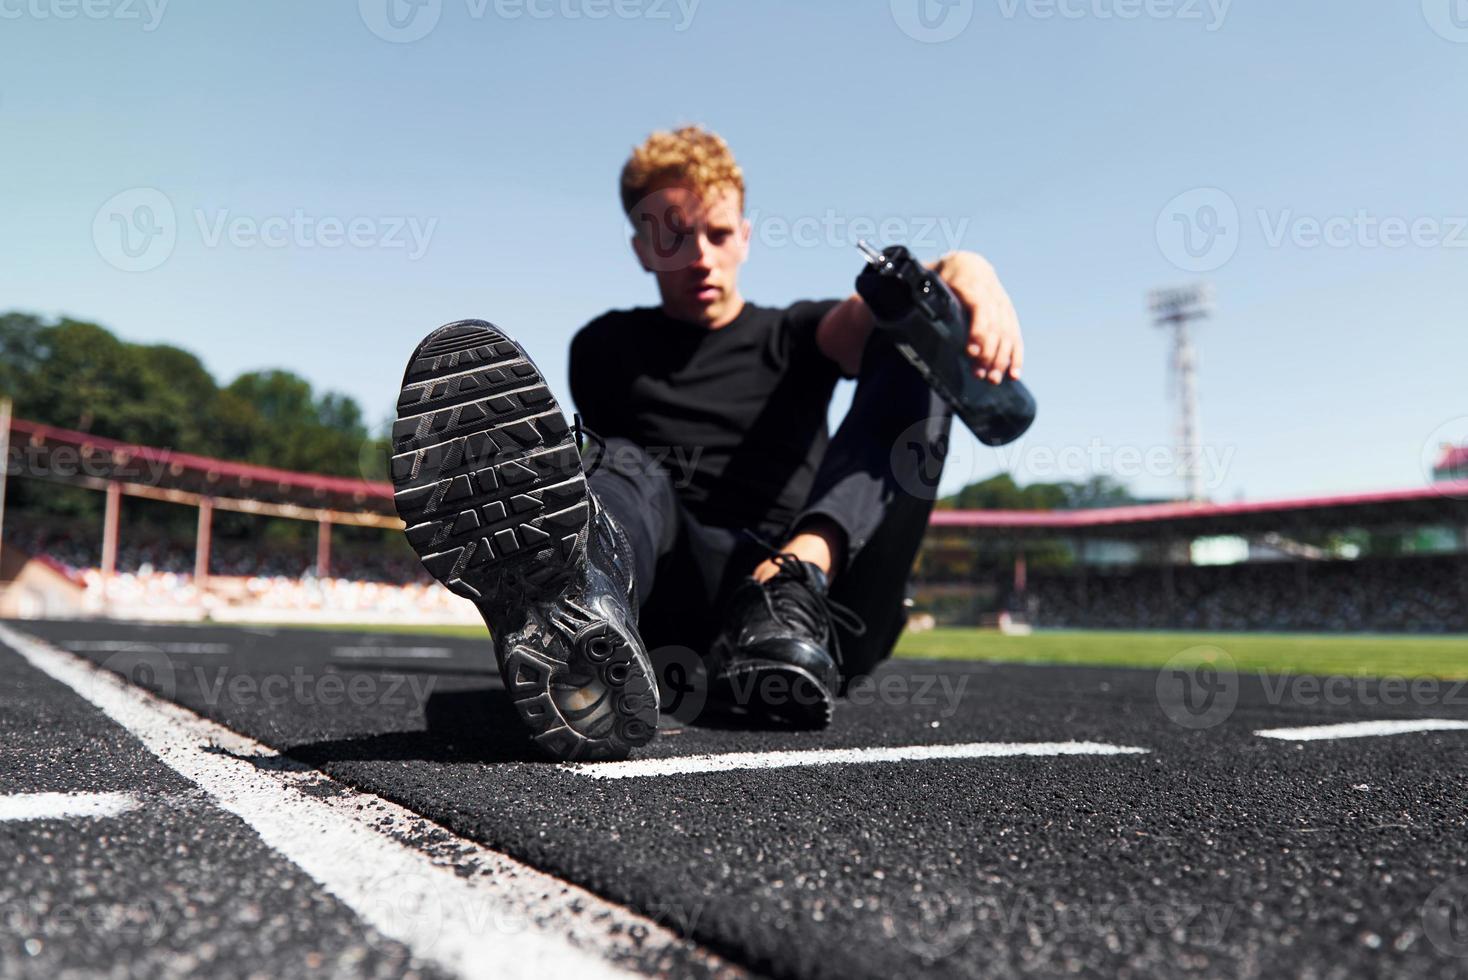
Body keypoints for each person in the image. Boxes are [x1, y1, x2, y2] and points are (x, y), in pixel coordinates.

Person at [389, 125, 1024, 761]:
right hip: (673, 619)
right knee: (626, 460)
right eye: (672, 235)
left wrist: (966, 268)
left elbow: (866, 316)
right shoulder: (606, 349)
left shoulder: (796, 335)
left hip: (823, 615)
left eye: (717, 234)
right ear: (640, 248)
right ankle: (582, 592)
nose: (699, 255)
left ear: (744, 237)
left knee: (914, 336)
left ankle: (791, 584)